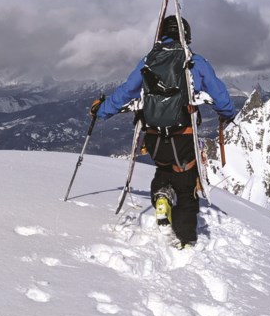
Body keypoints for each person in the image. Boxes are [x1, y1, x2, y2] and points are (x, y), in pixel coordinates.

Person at [91, 16, 235, 247]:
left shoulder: (149, 60)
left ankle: (161, 197)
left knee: (164, 170)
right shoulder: (194, 62)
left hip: (154, 135)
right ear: (186, 35)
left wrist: (102, 112)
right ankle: (186, 239)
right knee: (187, 183)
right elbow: (220, 95)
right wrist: (228, 114)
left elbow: (127, 90)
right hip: (184, 134)